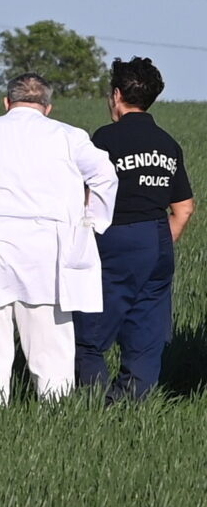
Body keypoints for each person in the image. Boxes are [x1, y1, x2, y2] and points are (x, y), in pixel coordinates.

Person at [0, 73, 117, 404]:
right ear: (48, 107)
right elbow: (105, 175)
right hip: (48, 251)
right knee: (51, 350)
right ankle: (57, 423)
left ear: (6, 102)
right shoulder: (69, 136)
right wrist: (92, 224)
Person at [75, 56, 191, 401]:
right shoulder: (168, 143)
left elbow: (86, 196)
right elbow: (184, 209)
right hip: (157, 240)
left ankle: (91, 407)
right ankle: (131, 406)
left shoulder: (106, 138)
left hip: (117, 237)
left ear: (116, 95)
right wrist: (155, 244)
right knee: (146, 334)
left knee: (89, 334)